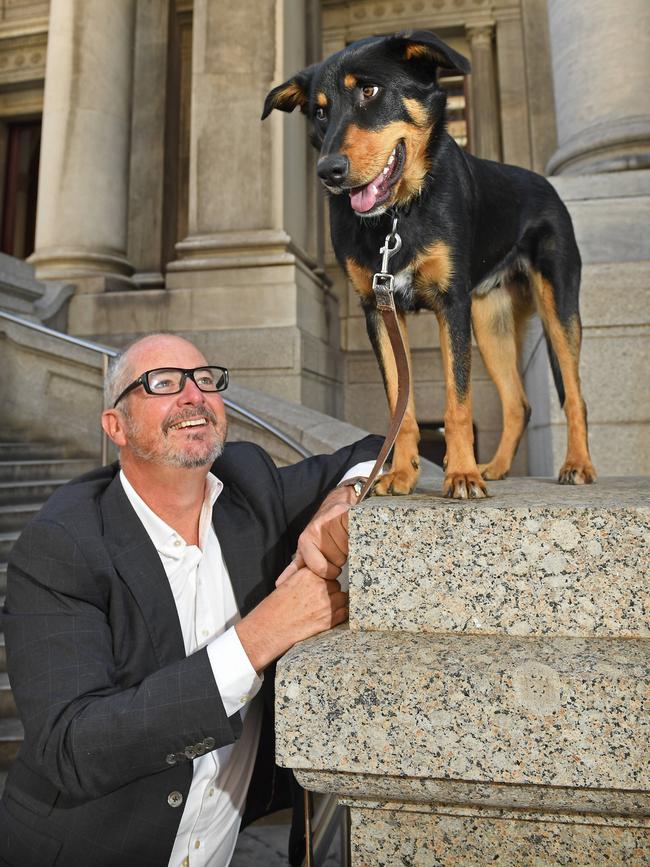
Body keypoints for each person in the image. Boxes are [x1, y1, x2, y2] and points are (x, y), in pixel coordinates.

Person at [0, 334, 381, 867]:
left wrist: (341, 503)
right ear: (116, 427)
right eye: (162, 383)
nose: (192, 395)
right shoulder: (64, 544)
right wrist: (261, 636)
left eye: (204, 379)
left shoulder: (250, 485)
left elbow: (374, 451)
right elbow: (73, 746)